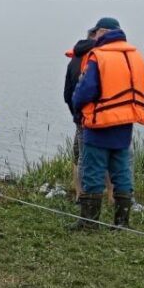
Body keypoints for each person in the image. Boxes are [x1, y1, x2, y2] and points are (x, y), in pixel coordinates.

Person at [70, 17, 144, 229]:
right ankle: (122, 222)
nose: (94, 36)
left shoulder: (99, 56)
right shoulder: (135, 55)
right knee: (121, 171)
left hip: (99, 123)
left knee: (93, 171)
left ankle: (89, 222)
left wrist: (77, 102)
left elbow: (85, 91)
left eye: (96, 32)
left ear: (102, 33)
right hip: (125, 123)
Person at [62, 28, 97, 198]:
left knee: (79, 156)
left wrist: (76, 114)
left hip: (80, 117)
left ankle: (80, 195)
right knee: (108, 155)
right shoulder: (99, 58)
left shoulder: (74, 60)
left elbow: (68, 94)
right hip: (100, 117)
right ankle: (111, 195)